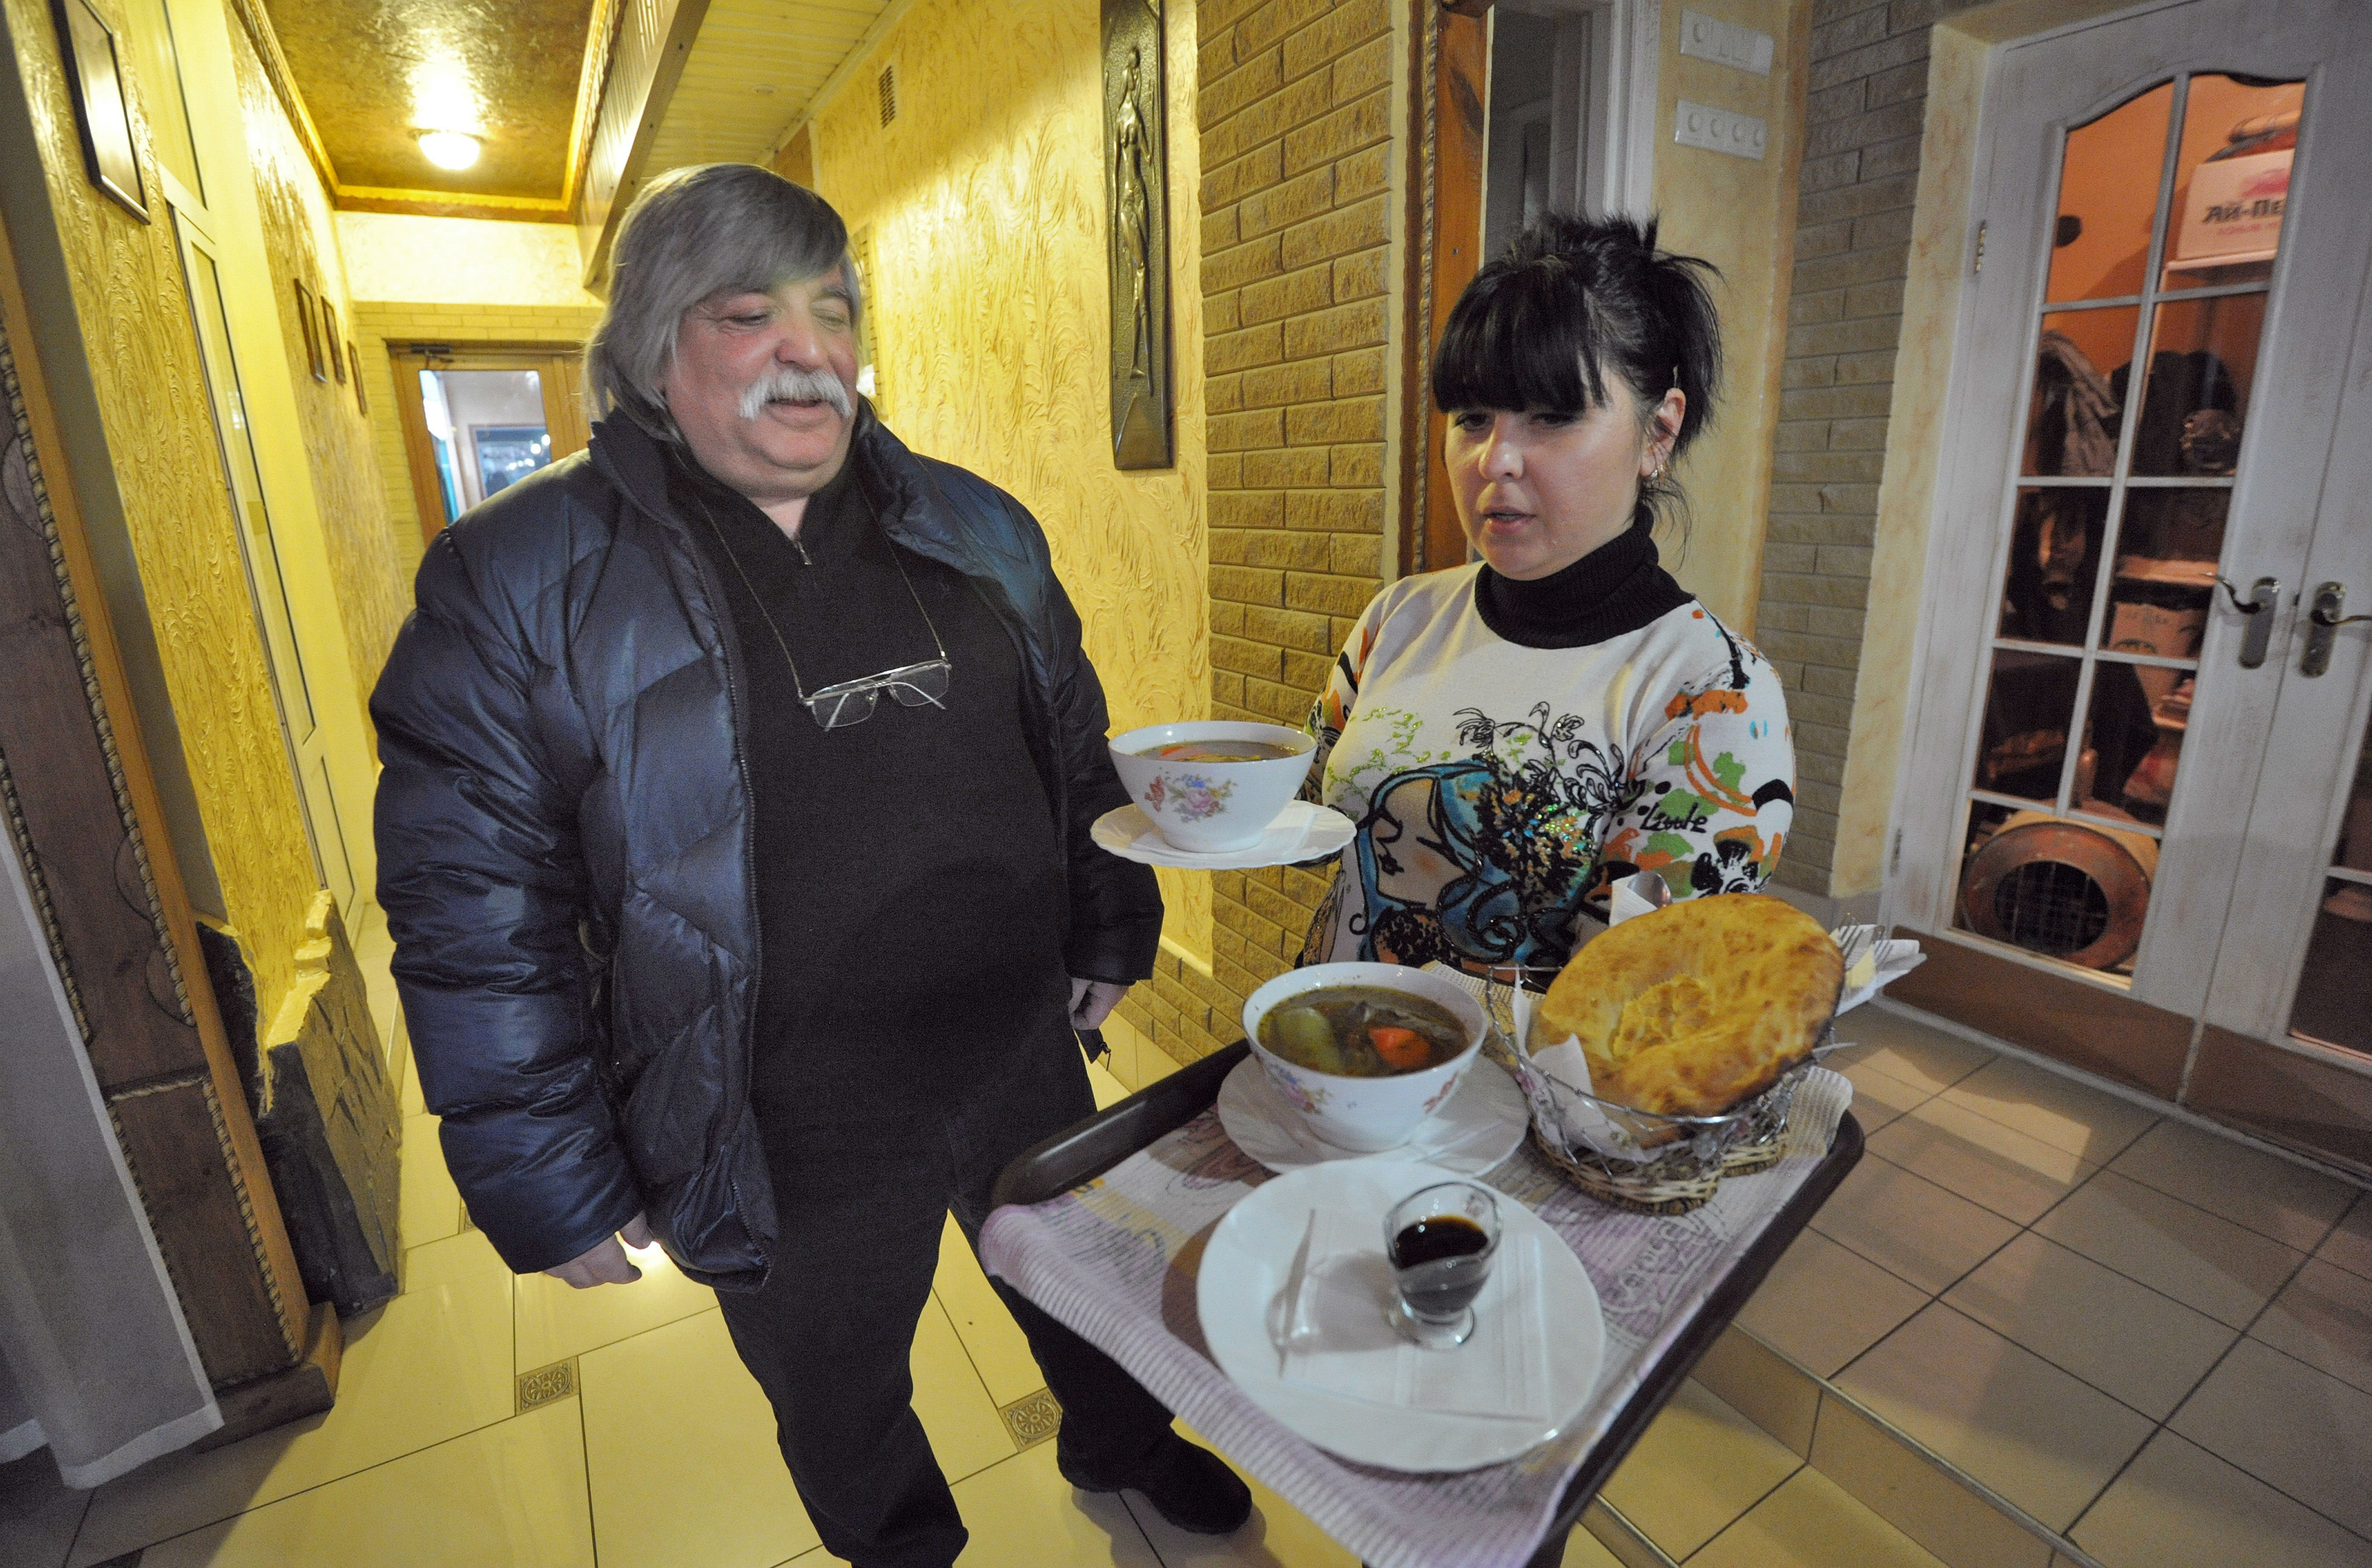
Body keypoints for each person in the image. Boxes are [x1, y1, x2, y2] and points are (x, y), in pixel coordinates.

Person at [371, 163, 1248, 1566]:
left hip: (1013, 1043)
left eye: (829, 309)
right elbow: (475, 903)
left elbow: (1071, 744)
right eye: (745, 312)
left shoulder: (973, 523)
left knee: (1087, 1290)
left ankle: (1124, 1442)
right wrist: (551, 1172)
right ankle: (901, 1544)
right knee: (840, 1387)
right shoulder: (521, 581)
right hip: (774, 1113)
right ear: (655, 349)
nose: (807, 350)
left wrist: (1106, 918)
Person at [1299, 214, 1795, 974]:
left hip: (1513, 1094)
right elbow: (1310, 834)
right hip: (1320, 1056)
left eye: (1552, 417)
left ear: (1658, 433)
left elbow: (1622, 1007)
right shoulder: (1399, 618)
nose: (1495, 460)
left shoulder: (1713, 695)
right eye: (1471, 418)